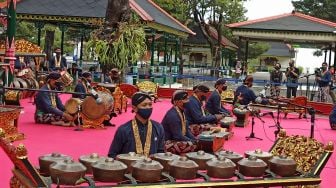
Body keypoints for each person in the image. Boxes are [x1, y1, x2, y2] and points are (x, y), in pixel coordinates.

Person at [108, 92, 165, 158]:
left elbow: (161, 152)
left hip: (152, 167)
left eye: (150, 104)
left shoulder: (158, 127)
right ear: (135, 108)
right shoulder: (123, 130)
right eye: (144, 105)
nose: (148, 107)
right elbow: (112, 155)